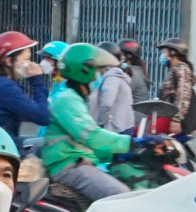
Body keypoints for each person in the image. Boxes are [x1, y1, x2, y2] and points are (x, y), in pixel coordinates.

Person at [40, 44, 138, 203]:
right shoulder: (67, 100)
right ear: (85, 71)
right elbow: (92, 136)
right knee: (120, 196)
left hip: (79, 161)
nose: (98, 77)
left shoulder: (76, 98)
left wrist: (120, 153)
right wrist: (134, 143)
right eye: (98, 71)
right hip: (67, 166)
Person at [86, 39, 135, 134]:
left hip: (117, 130)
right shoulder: (115, 74)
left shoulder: (112, 77)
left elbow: (106, 104)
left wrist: (99, 125)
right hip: (122, 127)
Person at [153, 38, 196, 135]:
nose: (162, 56)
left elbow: (183, 94)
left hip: (180, 122)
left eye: (164, 52)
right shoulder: (176, 69)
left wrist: (176, 120)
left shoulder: (181, 68)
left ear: (173, 53)